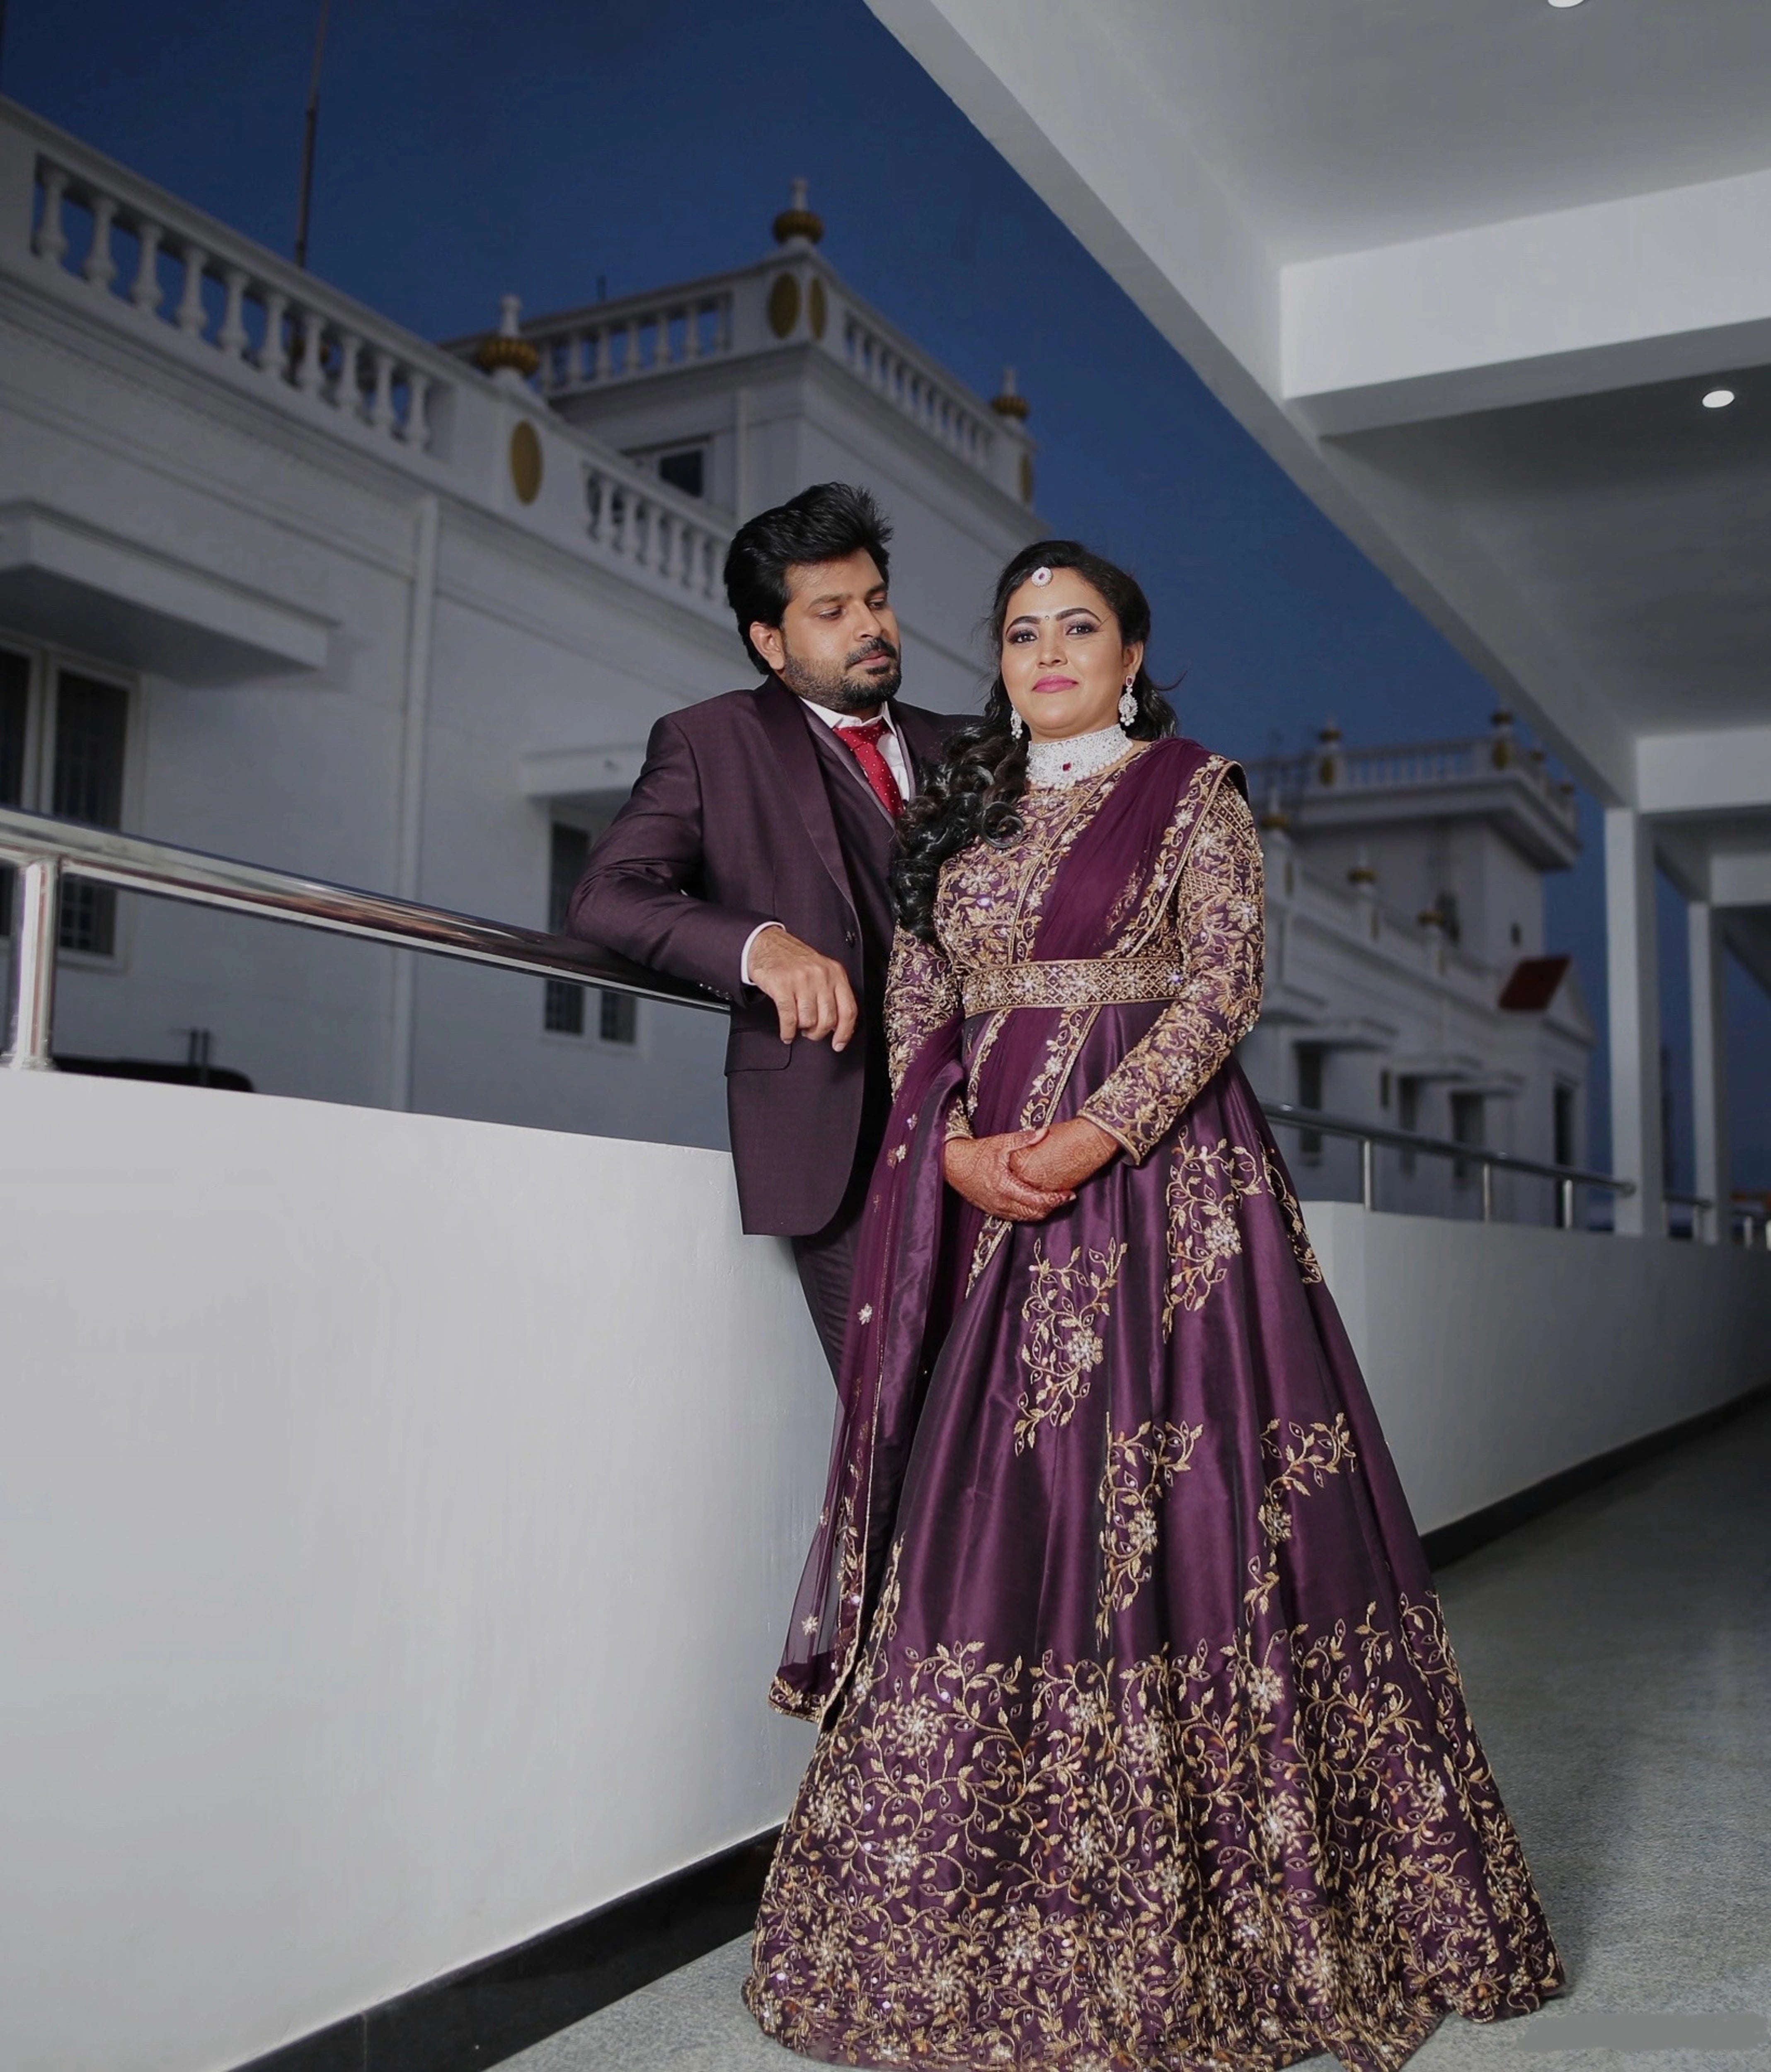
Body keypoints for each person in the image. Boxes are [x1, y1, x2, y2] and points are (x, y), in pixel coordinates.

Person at [746, 541, 1563, 2070]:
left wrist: (1095, 1131)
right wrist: (968, 1151)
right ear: (994, 663)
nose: (1046, 651)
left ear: (1131, 655)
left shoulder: (1194, 790)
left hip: (1170, 1211)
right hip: (991, 1207)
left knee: (1195, 1519)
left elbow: (1221, 984)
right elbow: (919, 1004)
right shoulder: (958, 811)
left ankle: (1239, 1919)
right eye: (1019, 632)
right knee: (1000, 1515)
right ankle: (965, 1919)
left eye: (1078, 628)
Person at [567, 482, 957, 1377]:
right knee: (898, 1411)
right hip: (842, 1144)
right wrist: (756, 945)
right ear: (770, 641)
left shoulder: (968, 747)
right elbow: (606, 895)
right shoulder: (711, 743)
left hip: (999, 1131)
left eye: (876, 600)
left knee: (1023, 1413)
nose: (871, 626)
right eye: (832, 611)